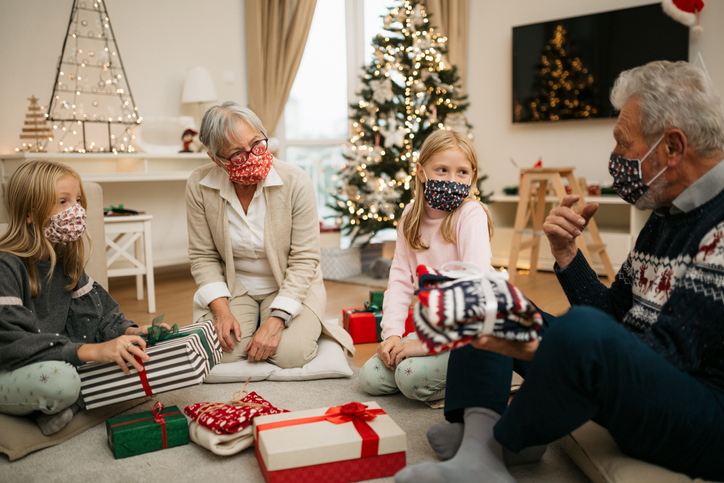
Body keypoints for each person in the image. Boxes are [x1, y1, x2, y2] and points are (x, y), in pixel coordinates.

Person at [395, 60, 724, 482]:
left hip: (702, 417)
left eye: (624, 144)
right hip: (635, 384)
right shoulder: (666, 215)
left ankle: (507, 439)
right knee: (492, 297)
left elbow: (666, 357)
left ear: (672, 149)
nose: (615, 159)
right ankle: (480, 451)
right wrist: (568, 255)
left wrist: (532, 345)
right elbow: (614, 316)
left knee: (576, 331)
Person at [0, 160, 169, 436]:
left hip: (50, 358)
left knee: (127, 358)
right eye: (63, 202)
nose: (76, 210)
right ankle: (71, 400)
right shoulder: (6, 266)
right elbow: (13, 343)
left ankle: (69, 404)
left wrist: (131, 331)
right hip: (9, 365)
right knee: (65, 381)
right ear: (30, 214)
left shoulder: (66, 259)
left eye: (78, 200)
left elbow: (97, 315)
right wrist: (92, 351)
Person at [187, 102, 353, 369]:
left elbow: (305, 259)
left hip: (288, 284)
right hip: (235, 287)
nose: (252, 157)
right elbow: (202, 256)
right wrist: (221, 311)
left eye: (257, 144)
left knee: (290, 355)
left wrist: (277, 321)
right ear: (215, 159)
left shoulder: (296, 181)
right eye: (237, 155)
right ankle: (252, 324)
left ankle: (313, 329)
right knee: (221, 352)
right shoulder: (199, 185)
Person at [358, 129, 494, 402]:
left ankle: (483, 376)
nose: (452, 180)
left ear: (472, 176)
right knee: (370, 378)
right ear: (421, 172)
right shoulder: (410, 215)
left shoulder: (471, 215)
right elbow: (399, 279)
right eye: (441, 170)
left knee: (410, 379)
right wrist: (393, 335)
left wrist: (425, 345)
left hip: (470, 333)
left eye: (462, 173)